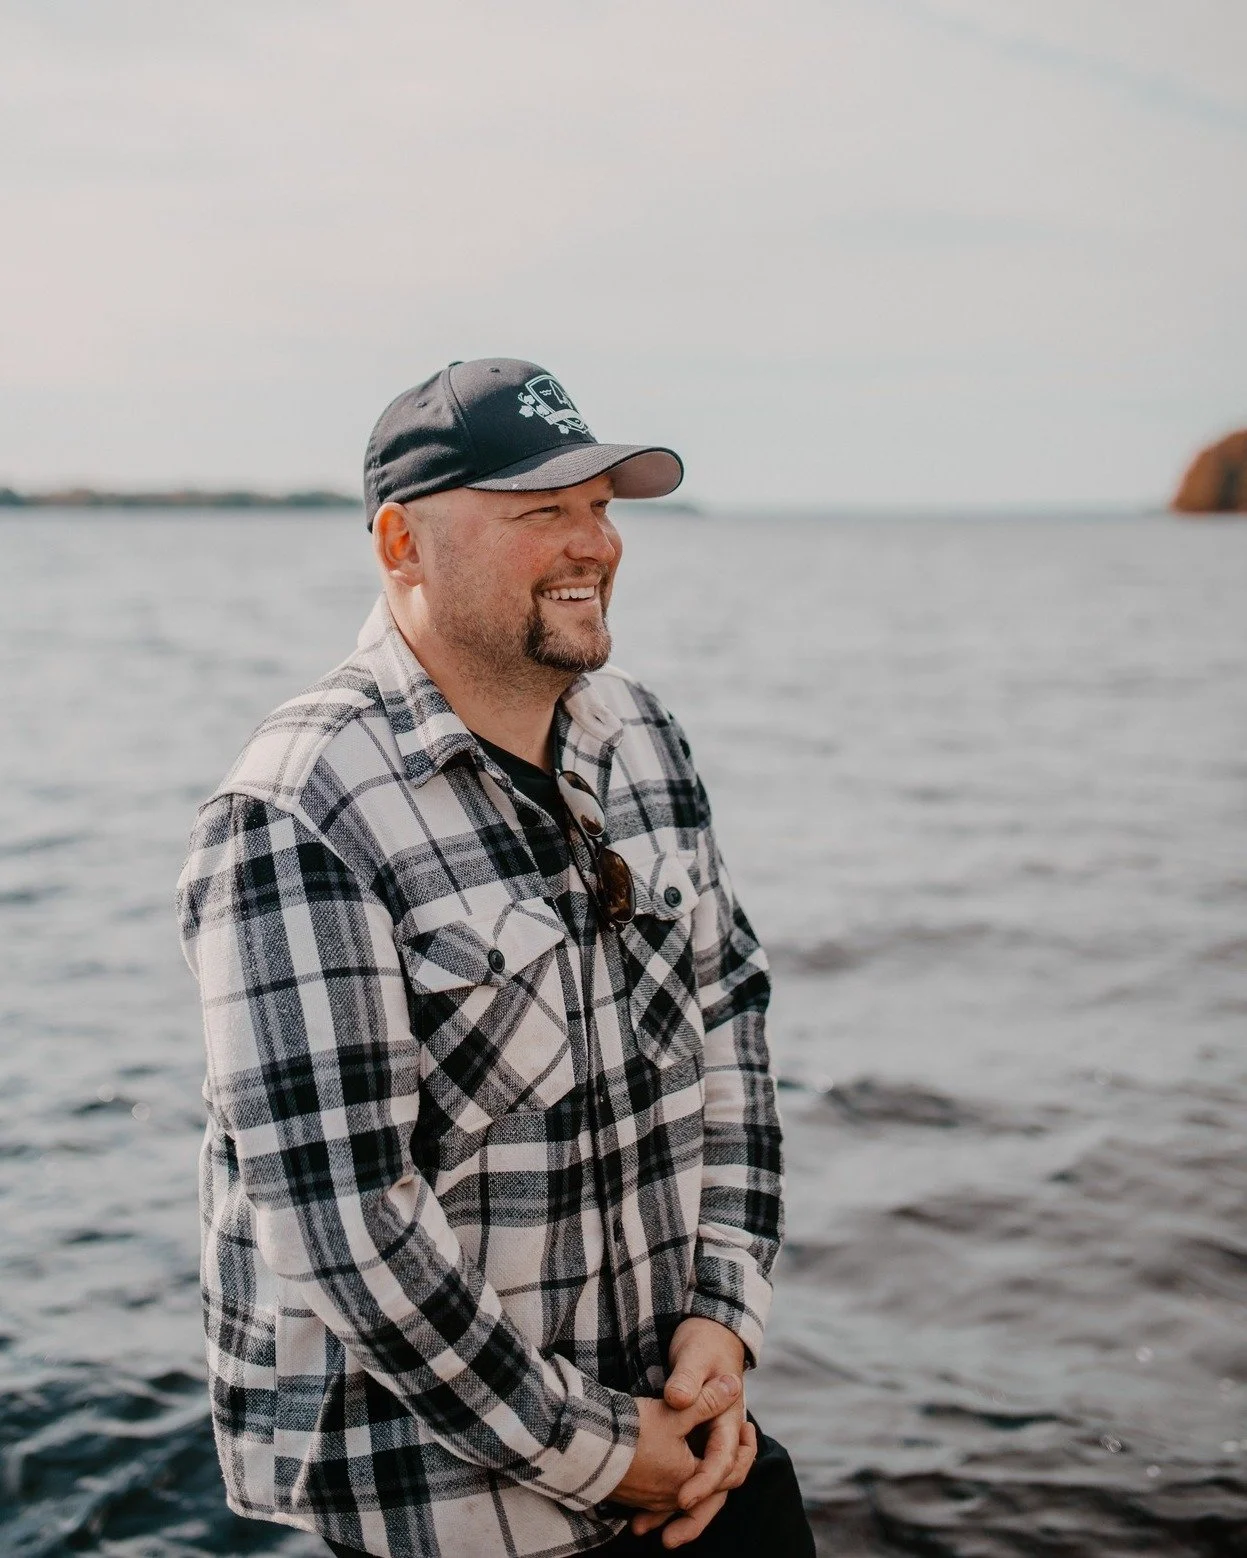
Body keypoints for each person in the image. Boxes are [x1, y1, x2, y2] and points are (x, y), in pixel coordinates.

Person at [176, 359, 812, 1558]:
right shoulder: (298, 809)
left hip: (696, 1449)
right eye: (540, 514)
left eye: (601, 506)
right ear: (401, 543)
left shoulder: (640, 736)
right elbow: (346, 1231)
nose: (594, 544)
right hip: (460, 1512)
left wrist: (724, 1321)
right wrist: (604, 1453)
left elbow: (732, 1019)